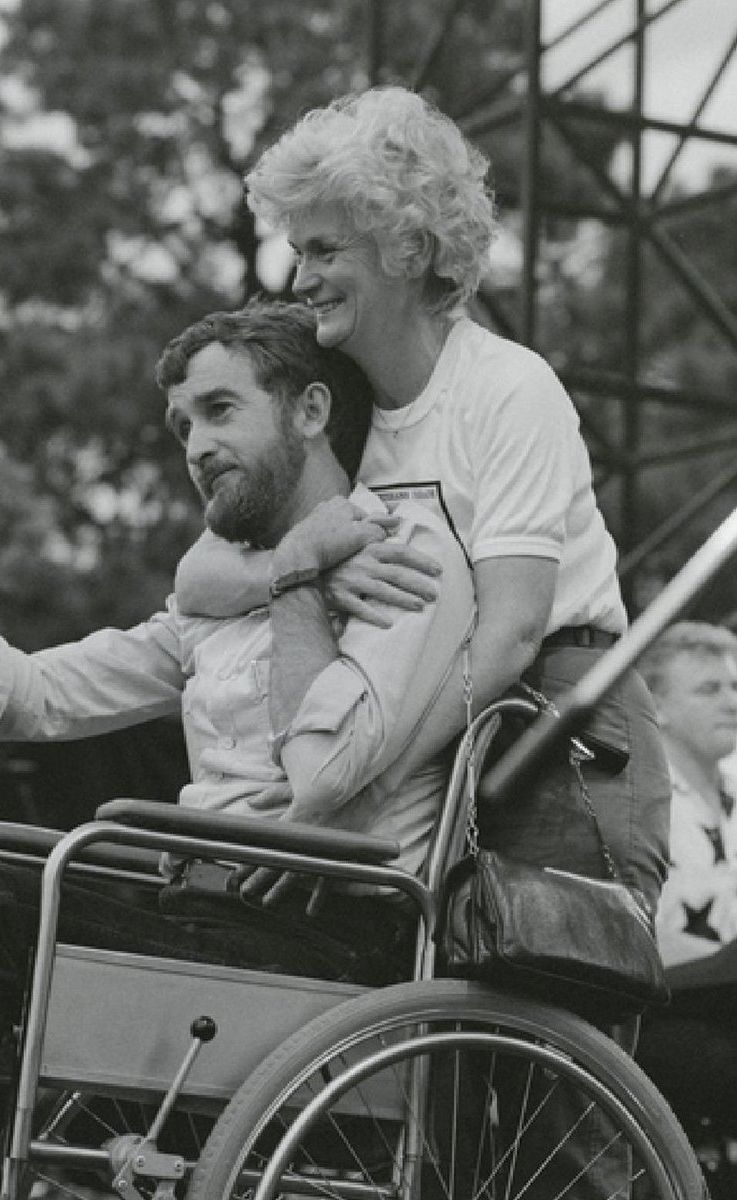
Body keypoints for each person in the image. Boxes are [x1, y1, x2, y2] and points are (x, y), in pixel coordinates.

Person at [0, 299, 477, 1200]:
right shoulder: (216, 601)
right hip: (196, 921)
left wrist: (301, 574)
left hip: (323, 937)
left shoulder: (400, 547)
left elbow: (333, 770)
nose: (193, 446)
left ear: (309, 409)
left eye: (220, 412)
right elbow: (25, 697)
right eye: (182, 427)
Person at [176, 82, 670, 937]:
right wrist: (294, 566)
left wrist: (348, 801)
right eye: (297, 252)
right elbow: (198, 573)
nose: (300, 280)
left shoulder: (506, 388)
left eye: (324, 250)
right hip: (436, 724)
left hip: (560, 727)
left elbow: (512, 630)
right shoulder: (342, 406)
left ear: (405, 246)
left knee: (540, 1001)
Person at [634, 621, 737, 1142]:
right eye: (709, 689)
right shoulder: (642, 799)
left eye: (736, 687)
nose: (732, 702)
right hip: (658, 1016)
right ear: (660, 707)